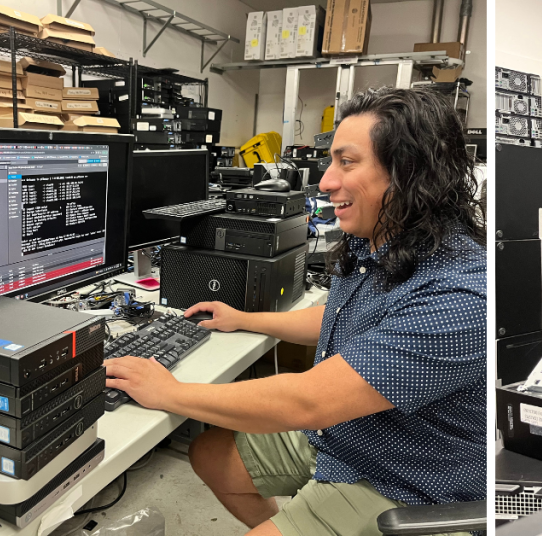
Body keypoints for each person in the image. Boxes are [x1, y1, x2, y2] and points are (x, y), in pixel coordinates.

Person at [105, 87, 486, 536]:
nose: (325, 182)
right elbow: (340, 316)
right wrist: (244, 319)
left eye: (347, 162)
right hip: (352, 432)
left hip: (405, 478)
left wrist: (169, 392)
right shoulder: (383, 237)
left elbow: (309, 401)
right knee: (210, 454)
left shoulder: (458, 293)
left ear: (408, 173)